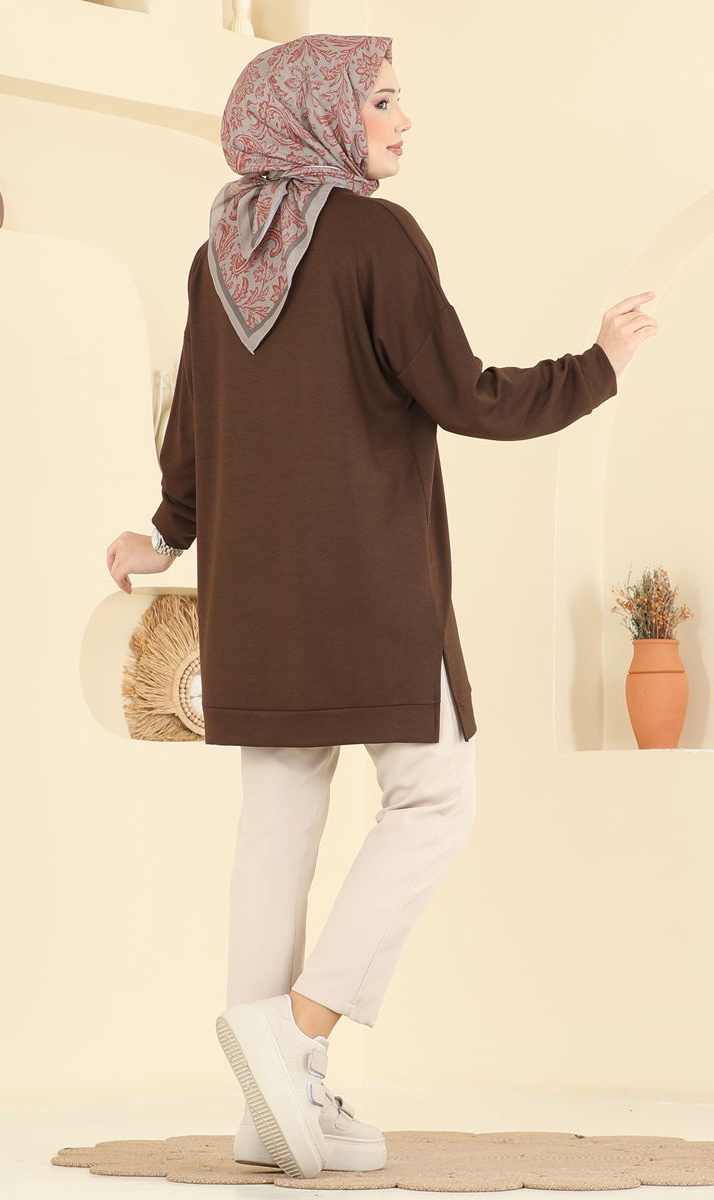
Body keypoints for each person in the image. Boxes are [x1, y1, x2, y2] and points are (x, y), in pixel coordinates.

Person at [106, 33, 659, 1180]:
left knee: (275, 829)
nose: (402, 121)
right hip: (369, 594)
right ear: (319, 113)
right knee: (435, 798)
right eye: (382, 101)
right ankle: (295, 1038)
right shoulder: (373, 237)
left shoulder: (217, 257)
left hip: (256, 606)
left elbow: (190, 427)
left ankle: (270, 1111)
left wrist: (163, 534)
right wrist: (596, 365)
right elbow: (466, 395)